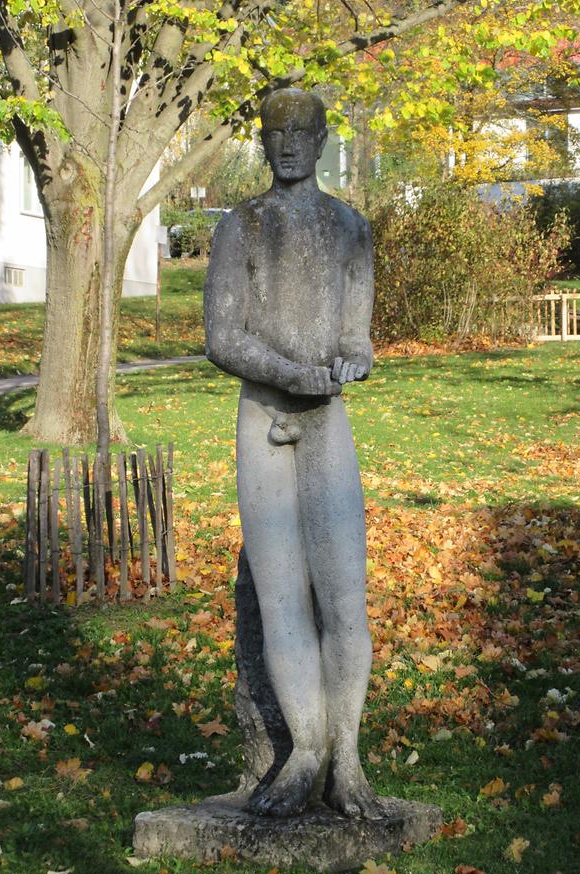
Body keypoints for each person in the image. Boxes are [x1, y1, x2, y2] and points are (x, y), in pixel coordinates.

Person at [204, 87, 378, 818]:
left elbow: (354, 335)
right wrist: (289, 374)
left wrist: (349, 360)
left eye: (302, 131)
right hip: (265, 417)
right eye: (276, 131)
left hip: (325, 421)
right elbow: (223, 338)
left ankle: (347, 757)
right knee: (280, 597)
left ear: (321, 136)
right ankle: (305, 751)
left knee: (342, 594)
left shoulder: (348, 228)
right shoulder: (240, 227)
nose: (289, 143)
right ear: (263, 140)